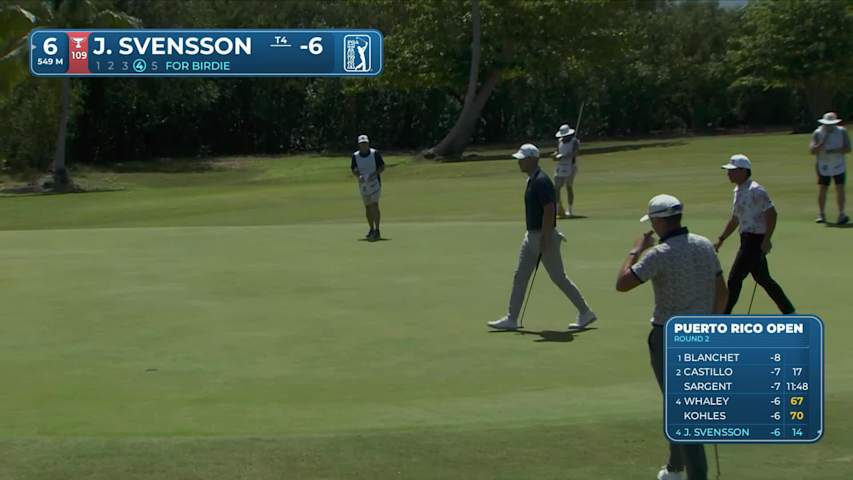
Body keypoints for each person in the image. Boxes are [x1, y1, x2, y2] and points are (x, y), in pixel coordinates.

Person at [615, 194, 728, 480]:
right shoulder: (704, 245)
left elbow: (623, 283)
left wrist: (634, 250)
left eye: (652, 220)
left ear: (659, 220)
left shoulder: (659, 253)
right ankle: (675, 467)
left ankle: (696, 475)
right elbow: (722, 292)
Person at [488, 143, 596, 331]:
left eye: (522, 159)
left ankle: (585, 312)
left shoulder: (541, 181)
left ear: (532, 159)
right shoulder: (532, 179)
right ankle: (512, 318)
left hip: (543, 236)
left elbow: (549, 209)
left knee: (558, 277)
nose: (519, 162)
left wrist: (546, 237)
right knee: (520, 276)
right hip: (531, 236)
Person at [714, 154, 795, 314]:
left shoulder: (756, 190)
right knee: (764, 279)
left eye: (732, 170)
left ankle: (723, 317)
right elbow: (736, 218)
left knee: (734, 279)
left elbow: (772, 213)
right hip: (746, 239)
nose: (728, 173)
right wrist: (721, 239)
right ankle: (790, 312)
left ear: (744, 171)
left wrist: (766, 240)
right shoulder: (738, 190)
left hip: (755, 241)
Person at [809, 112, 850, 224]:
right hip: (823, 165)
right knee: (823, 188)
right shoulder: (817, 133)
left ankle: (841, 214)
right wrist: (823, 142)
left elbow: (848, 148)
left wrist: (835, 151)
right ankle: (821, 214)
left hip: (838, 164)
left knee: (840, 188)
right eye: (827, 124)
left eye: (831, 124)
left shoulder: (842, 132)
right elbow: (812, 151)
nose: (829, 126)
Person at [351, 134, 385, 241]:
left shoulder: (375, 153)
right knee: (367, 207)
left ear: (368, 143)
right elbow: (354, 169)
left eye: (365, 143)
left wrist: (374, 174)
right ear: (359, 145)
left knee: (374, 205)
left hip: (375, 183)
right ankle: (371, 229)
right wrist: (358, 176)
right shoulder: (355, 156)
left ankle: (377, 230)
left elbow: (382, 167)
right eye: (362, 144)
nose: (364, 145)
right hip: (363, 184)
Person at [552, 124, 581, 218]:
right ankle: (558, 208)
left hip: (570, 166)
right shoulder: (559, 141)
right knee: (556, 188)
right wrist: (555, 155)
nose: (563, 137)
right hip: (560, 166)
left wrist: (563, 156)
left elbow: (575, 153)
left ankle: (570, 209)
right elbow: (557, 151)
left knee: (568, 187)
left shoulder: (574, 141)